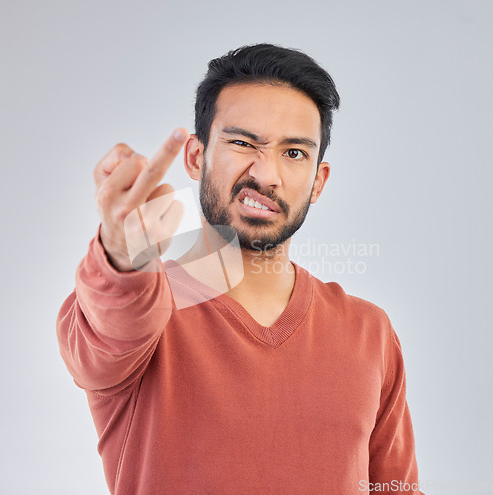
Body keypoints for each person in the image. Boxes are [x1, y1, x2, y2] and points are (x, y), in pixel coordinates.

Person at [57, 43, 424, 494]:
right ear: (196, 157)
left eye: (294, 153)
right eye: (242, 142)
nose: (267, 173)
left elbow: (396, 489)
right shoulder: (142, 315)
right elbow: (112, 321)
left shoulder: (370, 331)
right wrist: (120, 252)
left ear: (318, 181)